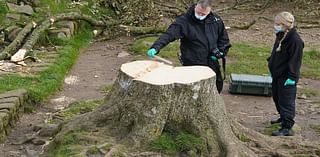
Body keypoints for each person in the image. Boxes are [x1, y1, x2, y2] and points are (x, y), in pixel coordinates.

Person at [146, 0, 231, 93]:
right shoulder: (184, 21)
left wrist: (221, 52)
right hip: (192, 63)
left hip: (212, 62)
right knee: (193, 90)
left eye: (203, 14)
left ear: (209, 11)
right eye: (198, 13)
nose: (200, 16)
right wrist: (156, 47)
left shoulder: (215, 20)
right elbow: (169, 35)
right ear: (195, 7)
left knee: (216, 86)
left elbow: (224, 39)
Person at [267, 11, 304, 136]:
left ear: (284, 24)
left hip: (287, 77)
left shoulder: (295, 41)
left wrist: (292, 77)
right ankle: (282, 117)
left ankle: (287, 127)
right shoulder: (281, 35)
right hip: (277, 74)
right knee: (277, 98)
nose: (275, 26)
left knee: (286, 101)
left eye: (278, 24)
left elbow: (295, 61)